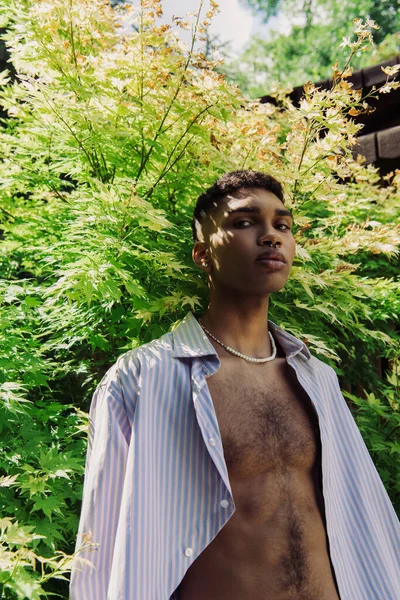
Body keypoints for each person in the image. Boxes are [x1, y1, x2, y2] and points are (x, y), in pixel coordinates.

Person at [69, 170, 400, 600]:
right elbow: (102, 542)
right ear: (203, 254)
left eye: (282, 225)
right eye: (244, 223)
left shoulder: (316, 378)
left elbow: (362, 517)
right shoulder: (143, 380)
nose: (271, 236)